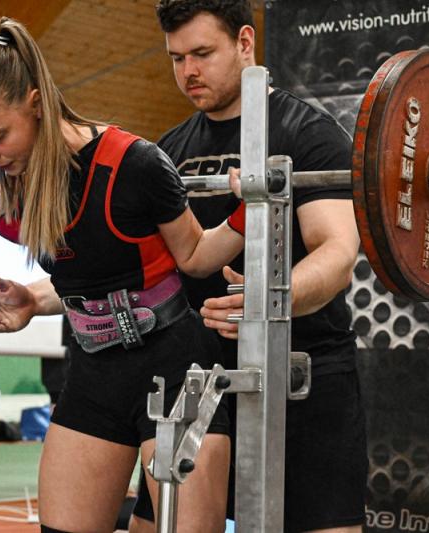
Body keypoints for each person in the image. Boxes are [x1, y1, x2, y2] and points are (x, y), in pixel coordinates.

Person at [0, 17, 248, 533]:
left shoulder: (136, 165)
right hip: (94, 375)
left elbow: (197, 256)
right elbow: (89, 274)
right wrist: (33, 300)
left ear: (36, 104)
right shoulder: (22, 188)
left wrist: (250, 209)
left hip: (177, 372)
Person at [129, 2, 368, 532]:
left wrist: (266, 301)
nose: (188, 71)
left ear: (244, 42)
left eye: (202, 53)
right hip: (200, 381)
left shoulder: (308, 133)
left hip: (304, 377)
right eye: (176, 58)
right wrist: (42, 298)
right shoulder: (167, 152)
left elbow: (335, 252)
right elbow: (137, 266)